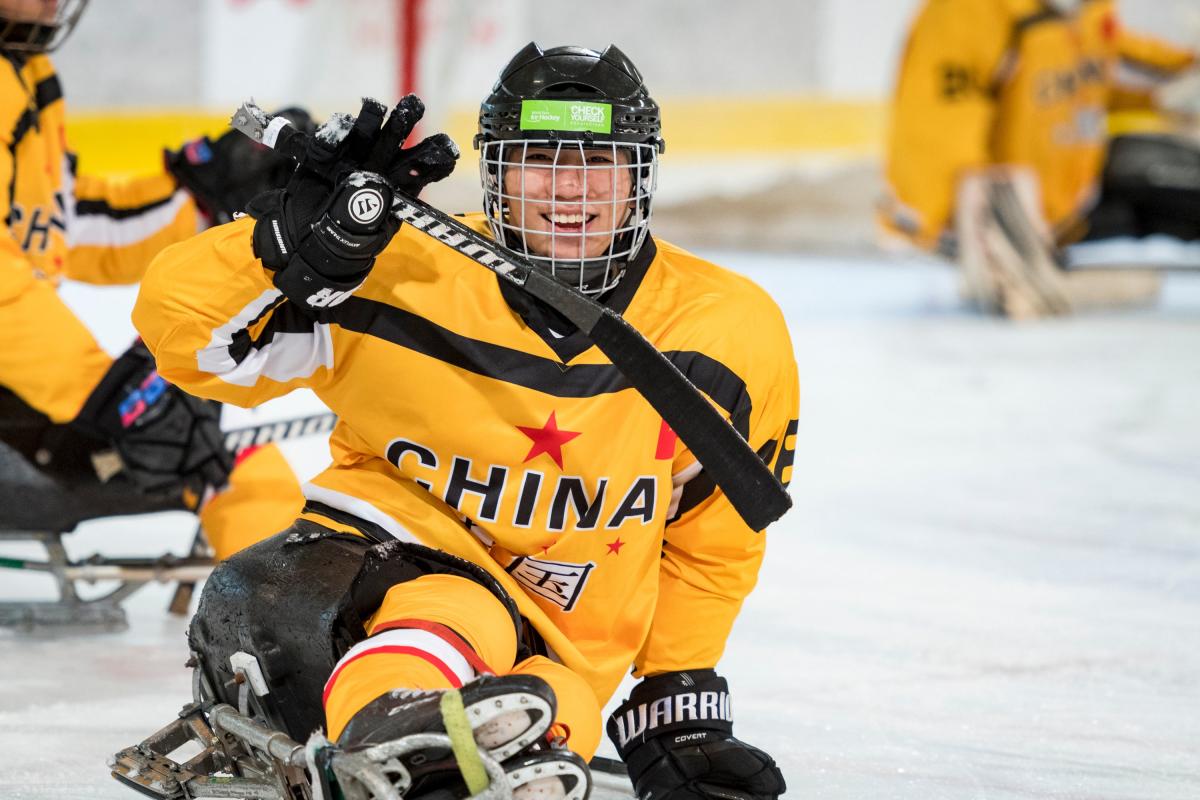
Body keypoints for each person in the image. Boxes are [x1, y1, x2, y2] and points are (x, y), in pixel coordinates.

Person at [133, 43, 795, 800]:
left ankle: (436, 755)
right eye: (538, 158)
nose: (570, 188)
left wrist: (677, 700)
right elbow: (184, 342)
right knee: (447, 613)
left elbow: (715, 539)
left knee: (552, 723)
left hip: (556, 650)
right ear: (495, 173)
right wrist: (278, 243)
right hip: (351, 583)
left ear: (642, 175)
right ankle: (405, 730)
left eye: (601, 161)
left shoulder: (728, 329)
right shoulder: (395, 266)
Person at [0, 0, 306, 563]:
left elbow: (53, 225)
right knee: (236, 470)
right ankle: (291, 625)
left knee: (231, 463)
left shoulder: (24, 66)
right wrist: (102, 393)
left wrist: (197, 200)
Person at [881, 0, 1199, 318]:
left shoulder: (1084, 8)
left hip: (1069, 203)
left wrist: (1172, 88)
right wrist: (969, 229)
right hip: (1004, 222)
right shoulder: (969, 10)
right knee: (1147, 168)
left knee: (1169, 171)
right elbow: (938, 130)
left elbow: (1098, 66)